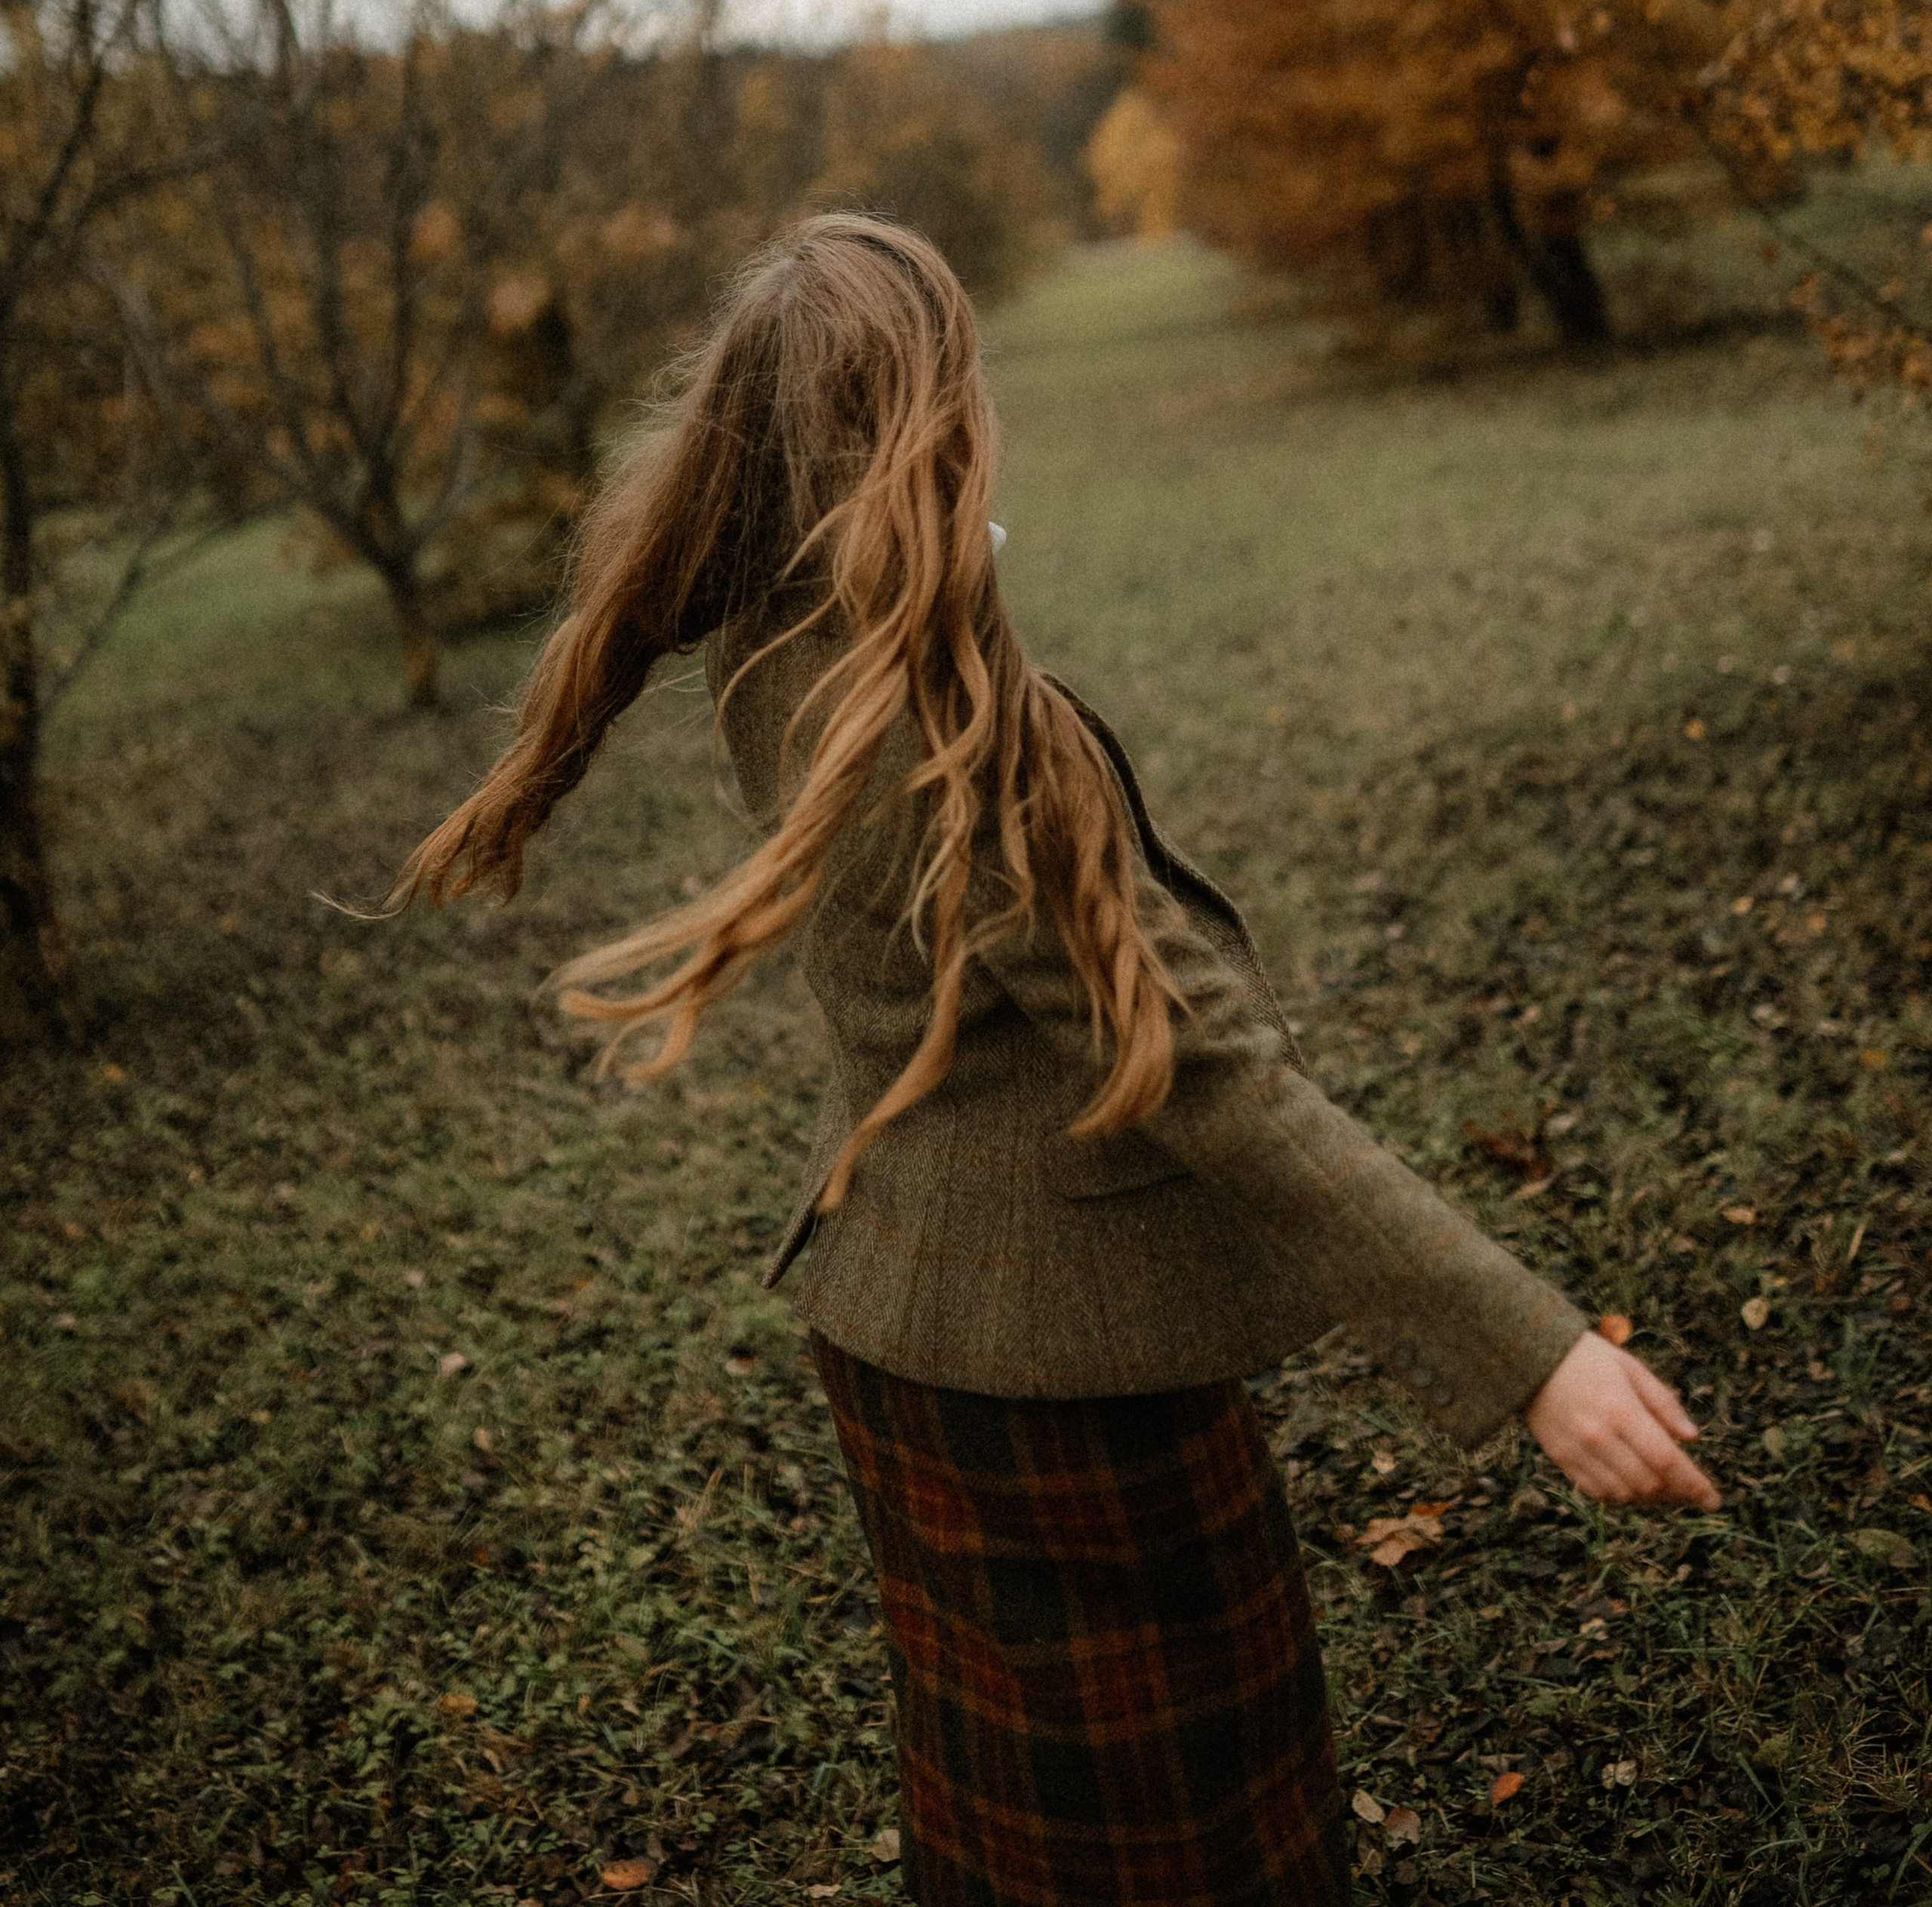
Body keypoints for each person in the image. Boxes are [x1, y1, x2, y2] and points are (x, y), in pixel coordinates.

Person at [397, 211, 1719, 1907]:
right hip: (1058, 1389)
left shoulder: (776, 660)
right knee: (1193, 1841)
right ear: (934, 420)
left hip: (898, 1329)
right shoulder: (964, 739)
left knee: (1009, 1826)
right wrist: (1535, 1354)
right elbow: (1213, 1071)